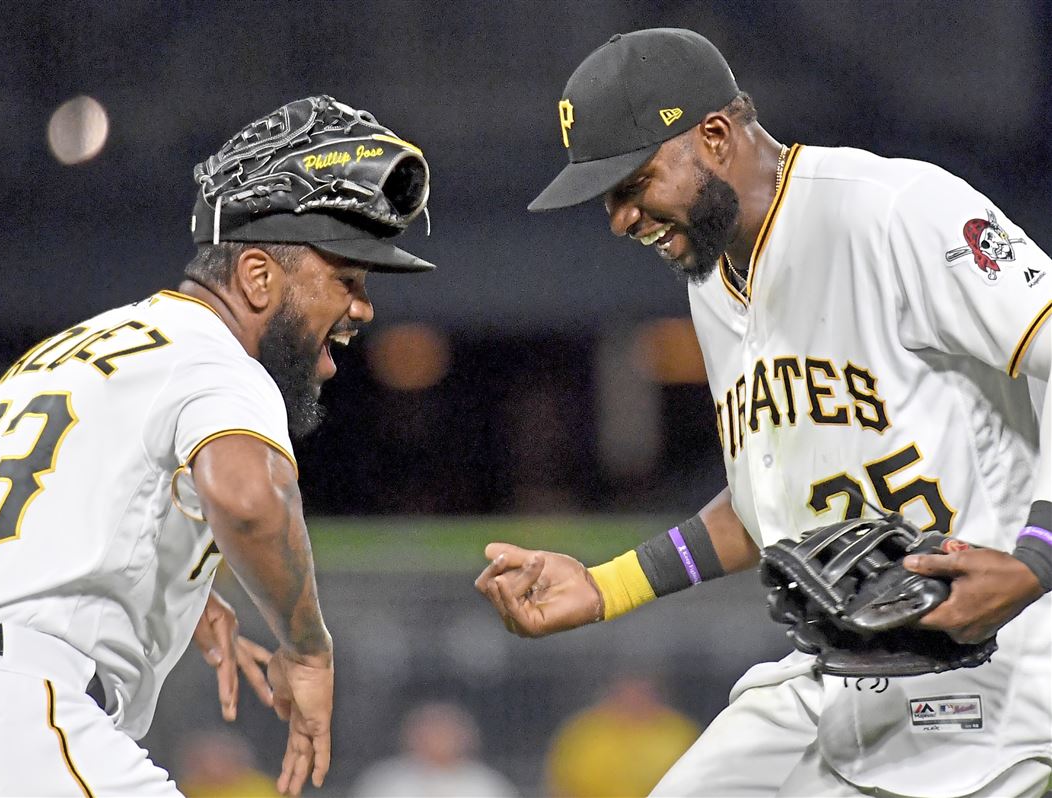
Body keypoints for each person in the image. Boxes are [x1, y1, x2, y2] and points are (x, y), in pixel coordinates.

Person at [476, 28, 1052, 798]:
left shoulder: (893, 210)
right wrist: (609, 586)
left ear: (714, 137)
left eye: (633, 182)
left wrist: (1038, 559)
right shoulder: (710, 272)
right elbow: (768, 507)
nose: (619, 218)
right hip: (838, 681)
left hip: (993, 676)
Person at [0, 94, 436, 797]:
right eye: (346, 279)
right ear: (256, 277)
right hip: (16, 712)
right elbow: (250, 499)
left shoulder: (68, 349)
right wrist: (308, 652)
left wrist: (153, 580)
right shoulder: (218, 356)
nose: (363, 307)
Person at [544, 673, 699, 798]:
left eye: (641, 694)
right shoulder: (584, 733)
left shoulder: (679, 734)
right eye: (627, 693)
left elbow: (699, 784)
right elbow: (563, 786)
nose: (634, 701)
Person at [350, 700, 519, 798]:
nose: (438, 738)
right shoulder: (385, 782)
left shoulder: (486, 786)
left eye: (445, 731)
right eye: (430, 730)